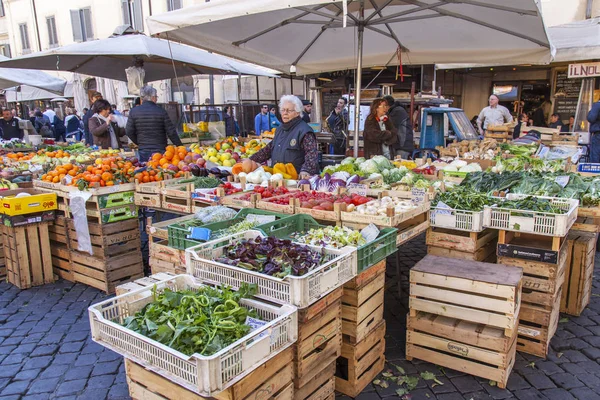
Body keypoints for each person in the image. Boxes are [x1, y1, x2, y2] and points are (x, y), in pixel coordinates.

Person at [250, 95, 318, 178]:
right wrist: (251, 160)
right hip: (277, 178)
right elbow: (269, 149)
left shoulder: (305, 131)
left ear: (297, 112)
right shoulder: (279, 129)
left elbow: (312, 155)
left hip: (295, 180)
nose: (285, 113)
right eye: (283, 110)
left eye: (289, 110)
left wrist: (306, 170)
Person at [126, 85, 183, 162]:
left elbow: (129, 131)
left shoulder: (134, 111)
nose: (156, 99)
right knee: (160, 170)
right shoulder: (161, 111)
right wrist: (180, 146)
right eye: (156, 97)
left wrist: (139, 142)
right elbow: (171, 132)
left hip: (143, 149)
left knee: (146, 172)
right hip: (160, 148)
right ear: (152, 97)